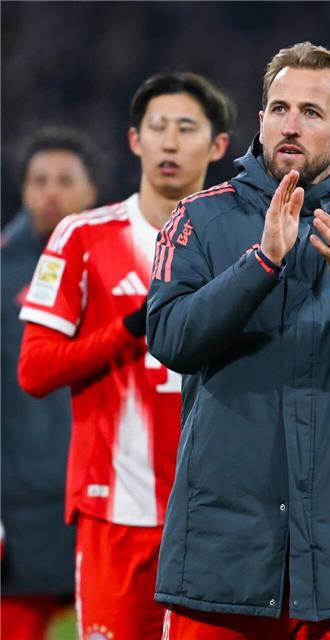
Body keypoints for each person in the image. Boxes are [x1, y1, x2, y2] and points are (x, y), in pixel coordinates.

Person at [145, 41, 330, 639]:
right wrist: (260, 264)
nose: (290, 124)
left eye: (312, 113)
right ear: (259, 121)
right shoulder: (199, 219)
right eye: (278, 108)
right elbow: (171, 338)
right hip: (226, 547)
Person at [18, 73, 234, 640]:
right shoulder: (81, 238)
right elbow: (34, 370)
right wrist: (133, 327)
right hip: (117, 513)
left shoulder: (249, 246)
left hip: (219, 518)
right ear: (134, 140)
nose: (169, 142)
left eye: (186, 128)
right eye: (156, 127)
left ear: (218, 146)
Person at [1, 127, 98, 640]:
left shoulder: (116, 263)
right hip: (18, 499)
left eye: (64, 180)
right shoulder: (0, 271)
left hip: (98, 491)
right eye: (39, 180)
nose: (51, 192)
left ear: (90, 192)